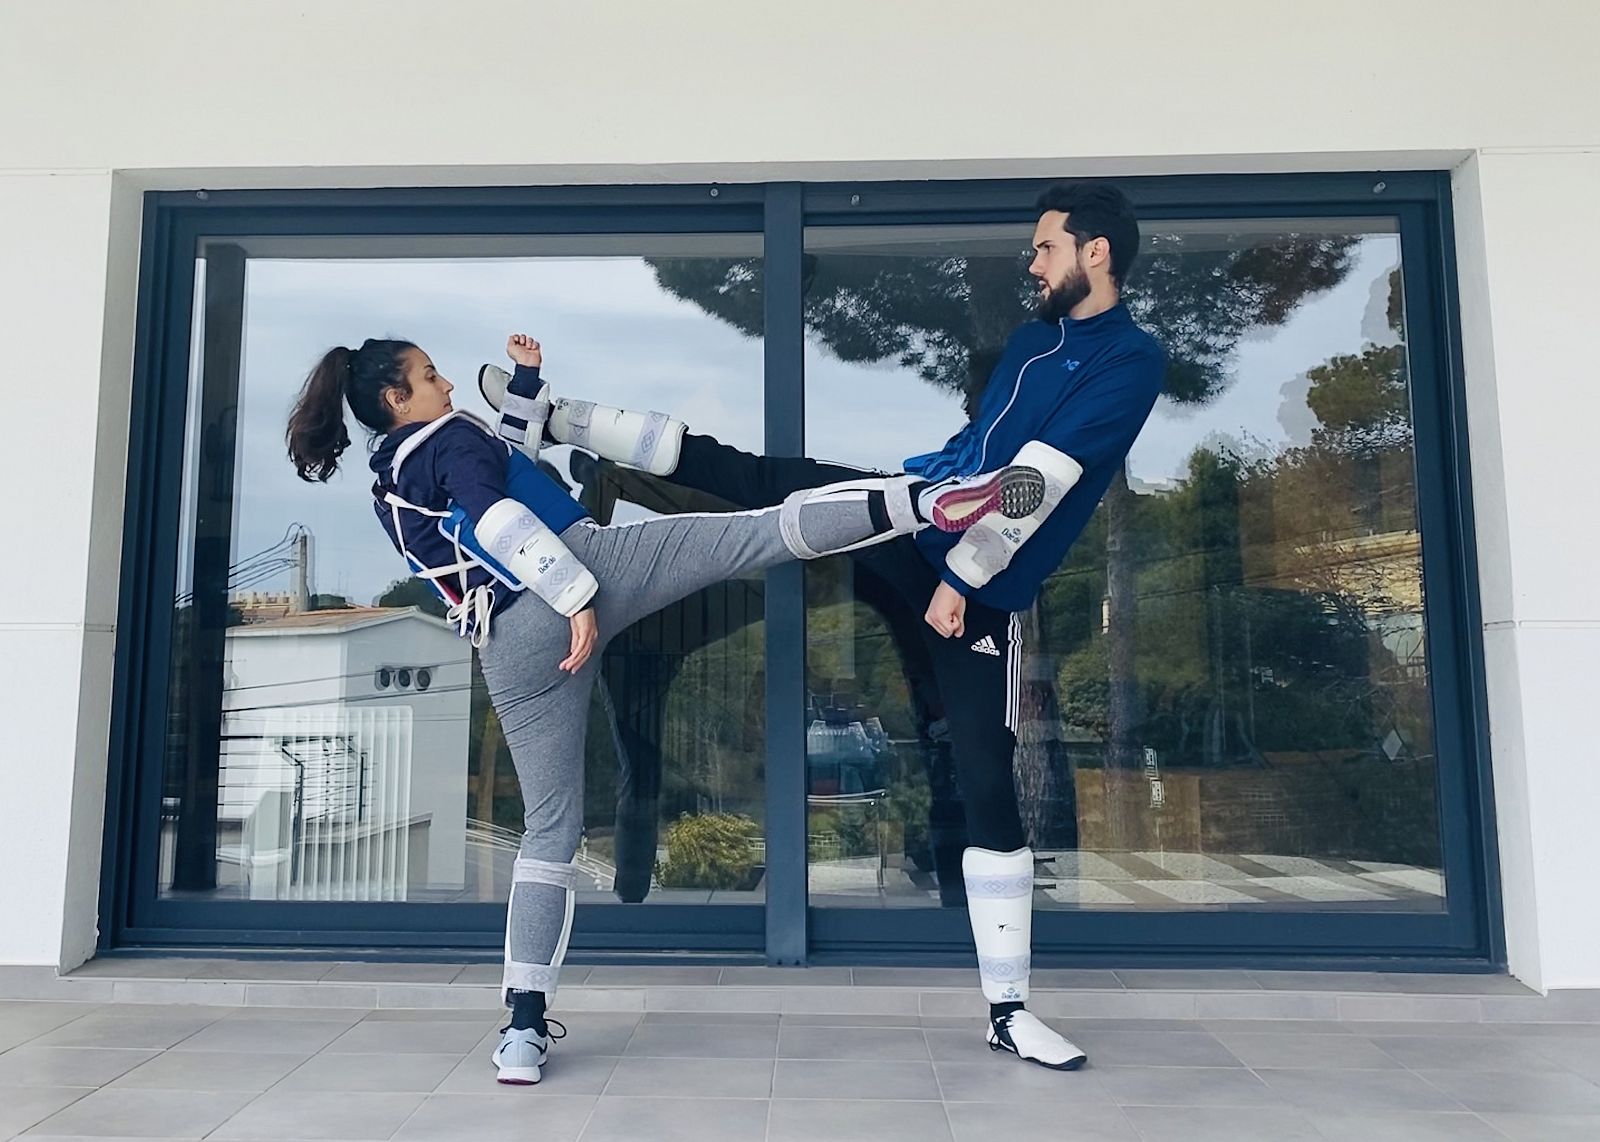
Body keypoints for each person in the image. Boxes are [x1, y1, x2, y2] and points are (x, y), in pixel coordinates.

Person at [480, 182, 1167, 1071]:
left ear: (1097, 252)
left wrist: (962, 578)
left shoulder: (1132, 361)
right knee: (765, 478)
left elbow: (1044, 477)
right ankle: (556, 416)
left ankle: (1009, 1011)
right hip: (920, 510)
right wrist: (932, 523)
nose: (1032, 263)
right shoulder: (1034, 342)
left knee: (985, 772)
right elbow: (983, 450)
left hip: (979, 580)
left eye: (1045, 248)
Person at [285, 332, 1047, 1085]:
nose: (445, 384)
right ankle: (931, 502)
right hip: (582, 570)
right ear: (395, 397)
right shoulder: (447, 435)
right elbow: (499, 520)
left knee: (549, 830)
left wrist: (524, 386)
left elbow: (507, 466)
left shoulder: (392, 474)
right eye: (428, 374)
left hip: (504, 643)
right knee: (757, 535)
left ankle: (522, 1027)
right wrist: (578, 597)